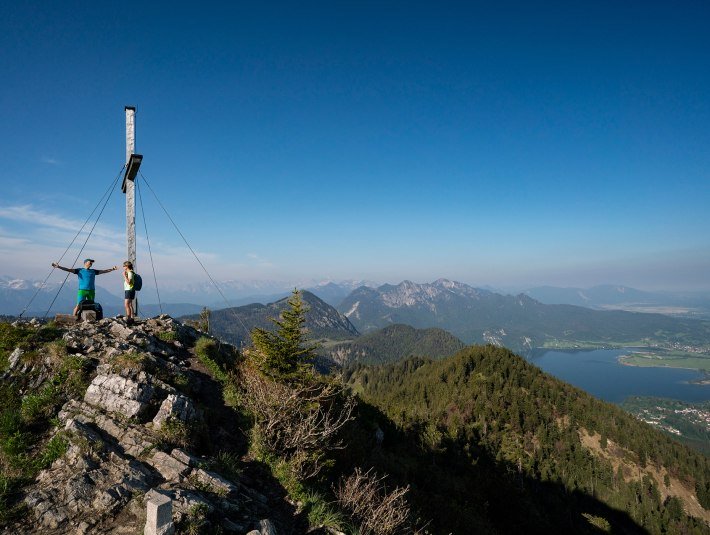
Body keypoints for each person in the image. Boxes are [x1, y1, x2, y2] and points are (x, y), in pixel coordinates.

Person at [51, 259, 118, 316]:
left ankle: (89, 319)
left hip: (91, 291)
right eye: (90, 262)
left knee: (91, 305)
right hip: (82, 291)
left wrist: (112, 269)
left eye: (91, 263)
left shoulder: (93, 271)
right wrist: (59, 267)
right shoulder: (79, 270)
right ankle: (74, 318)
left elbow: (103, 271)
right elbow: (68, 270)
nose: (91, 263)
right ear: (85, 263)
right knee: (78, 305)